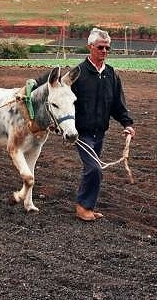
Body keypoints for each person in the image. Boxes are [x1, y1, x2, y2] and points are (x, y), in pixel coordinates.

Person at [36, 27, 135, 221]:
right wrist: (55, 123)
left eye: (108, 48)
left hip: (100, 132)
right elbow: (59, 98)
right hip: (81, 133)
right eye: (100, 47)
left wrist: (127, 123)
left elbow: (117, 103)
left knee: (92, 169)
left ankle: (86, 205)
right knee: (94, 169)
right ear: (90, 47)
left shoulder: (111, 75)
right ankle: (83, 208)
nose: (104, 52)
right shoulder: (77, 74)